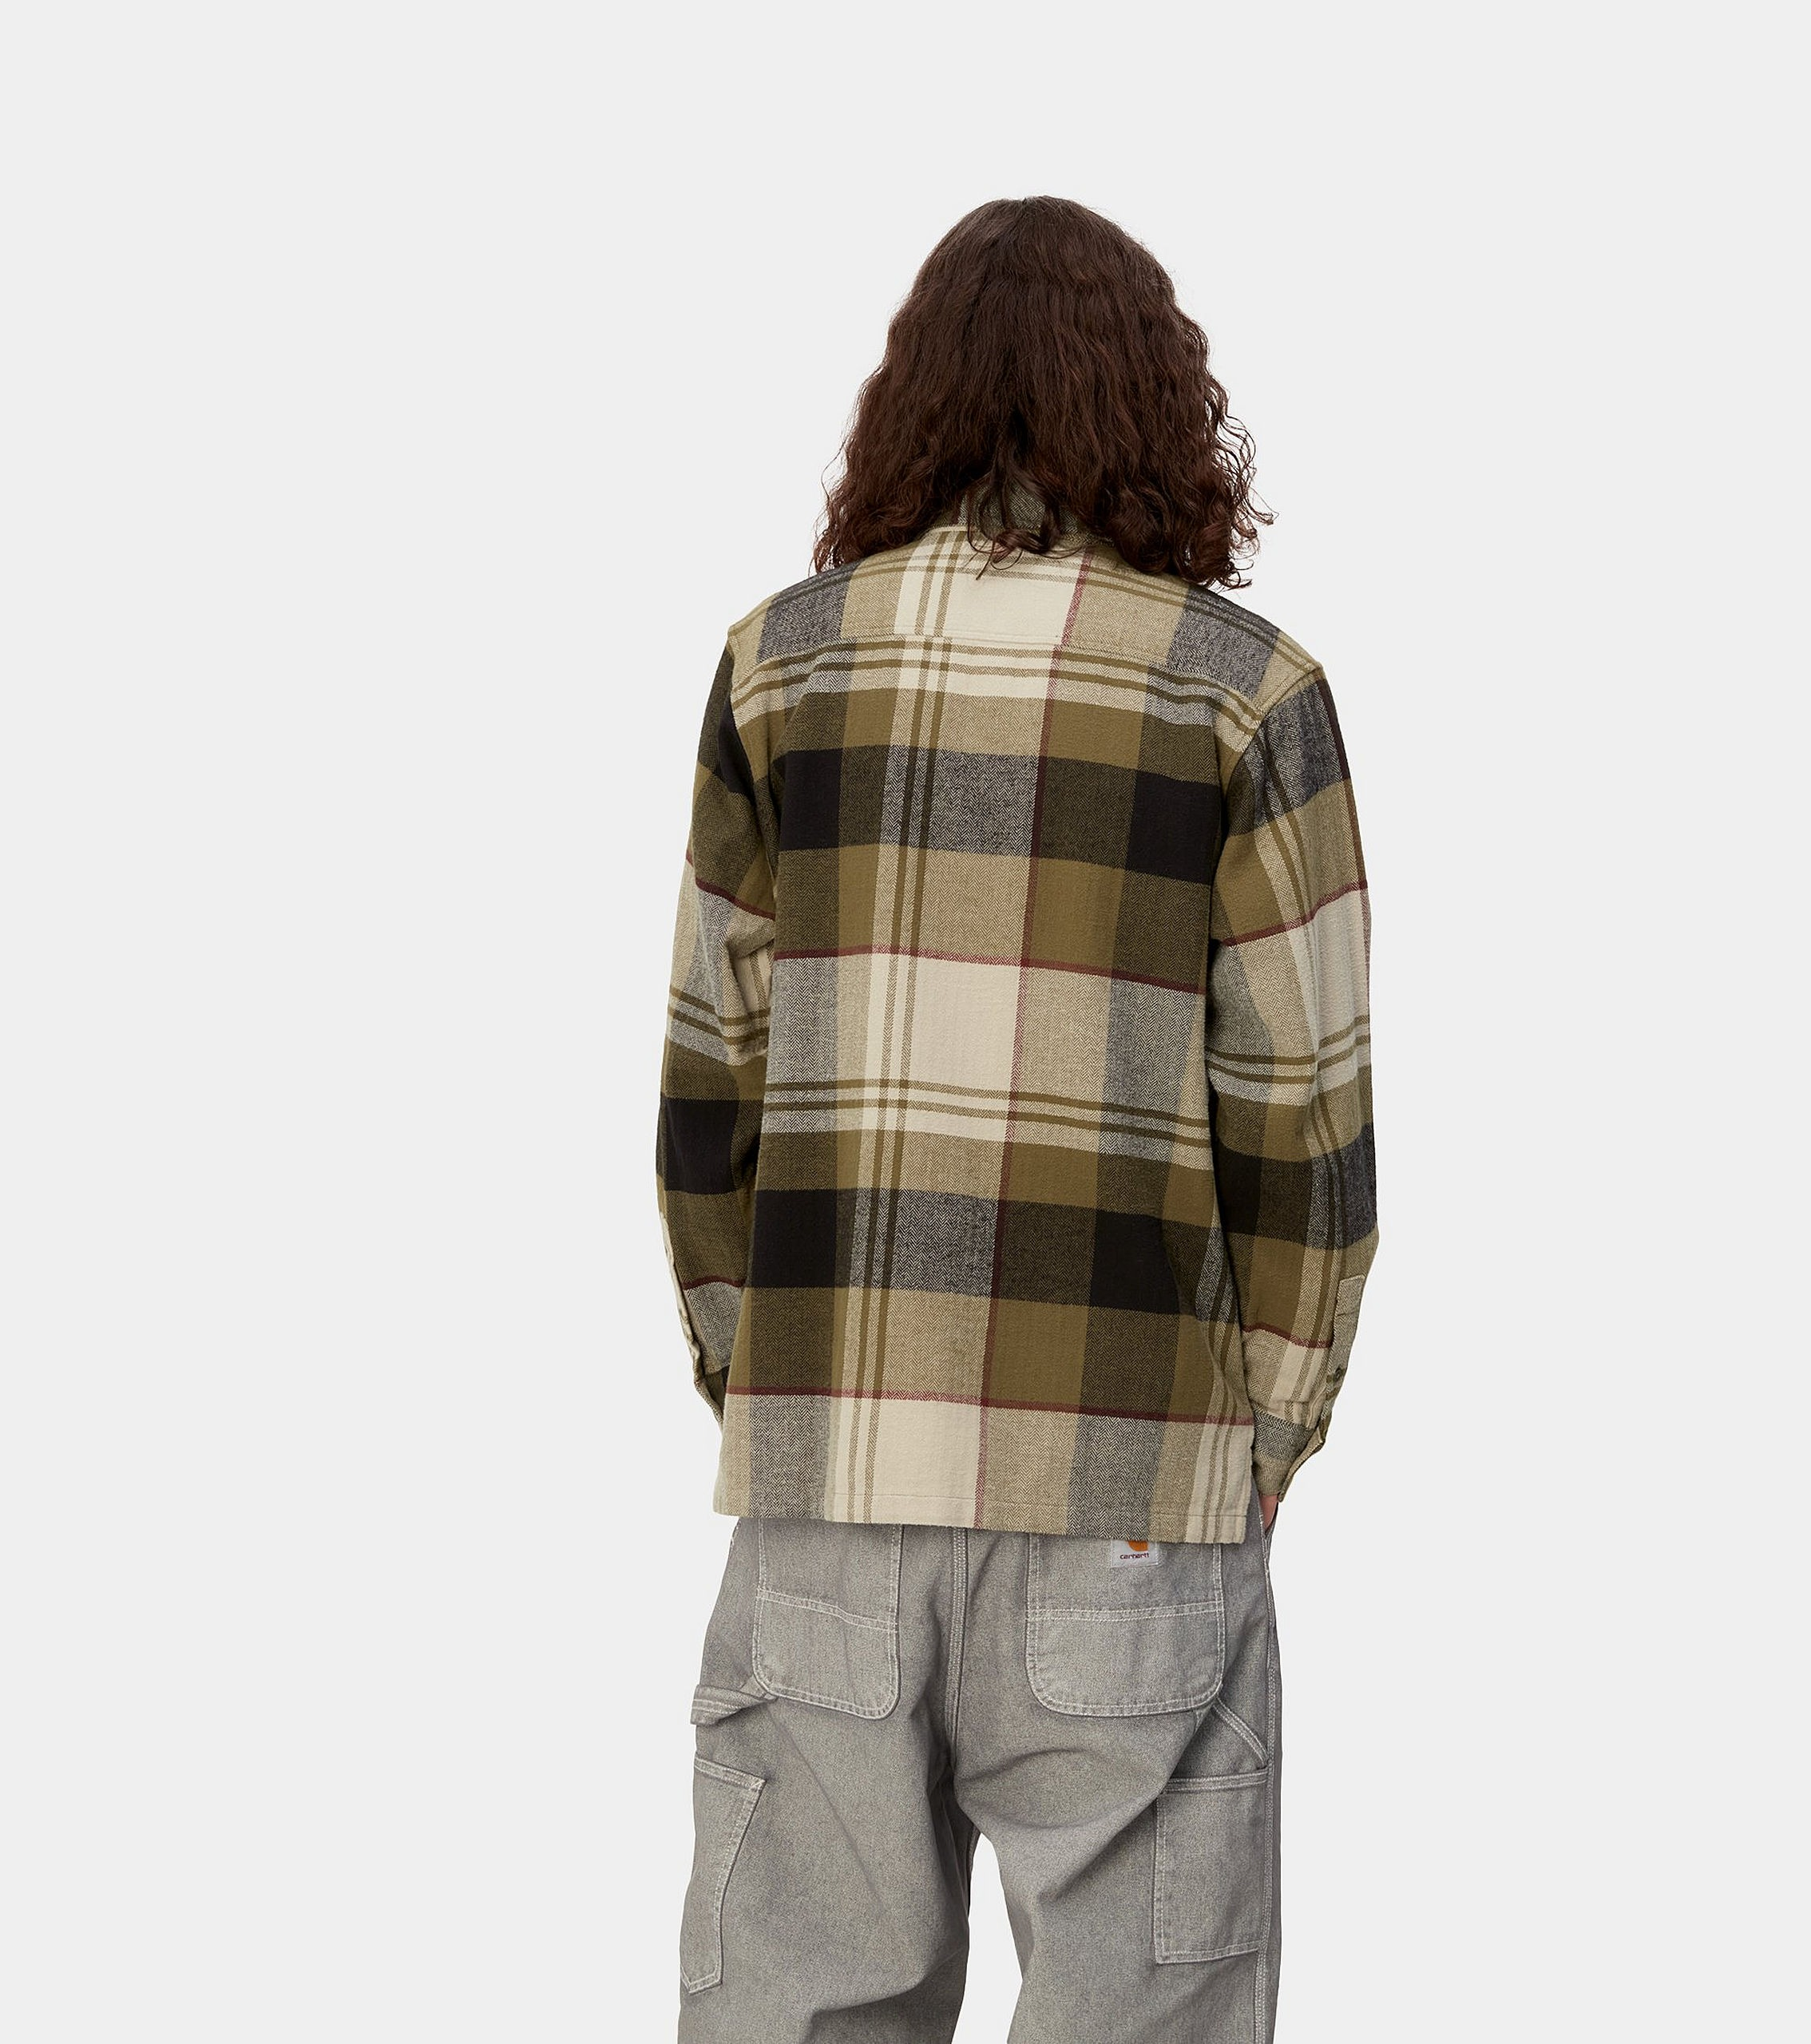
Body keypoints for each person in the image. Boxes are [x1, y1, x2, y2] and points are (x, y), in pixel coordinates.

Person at [657, 194, 1377, 2044]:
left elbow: (709, 1088)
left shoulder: (777, 670)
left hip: (825, 1488)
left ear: (910, 401)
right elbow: (1302, 1127)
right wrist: (1260, 1438)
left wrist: (776, 1392)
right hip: (1129, 1493)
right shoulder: (1245, 694)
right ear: (1159, 408)